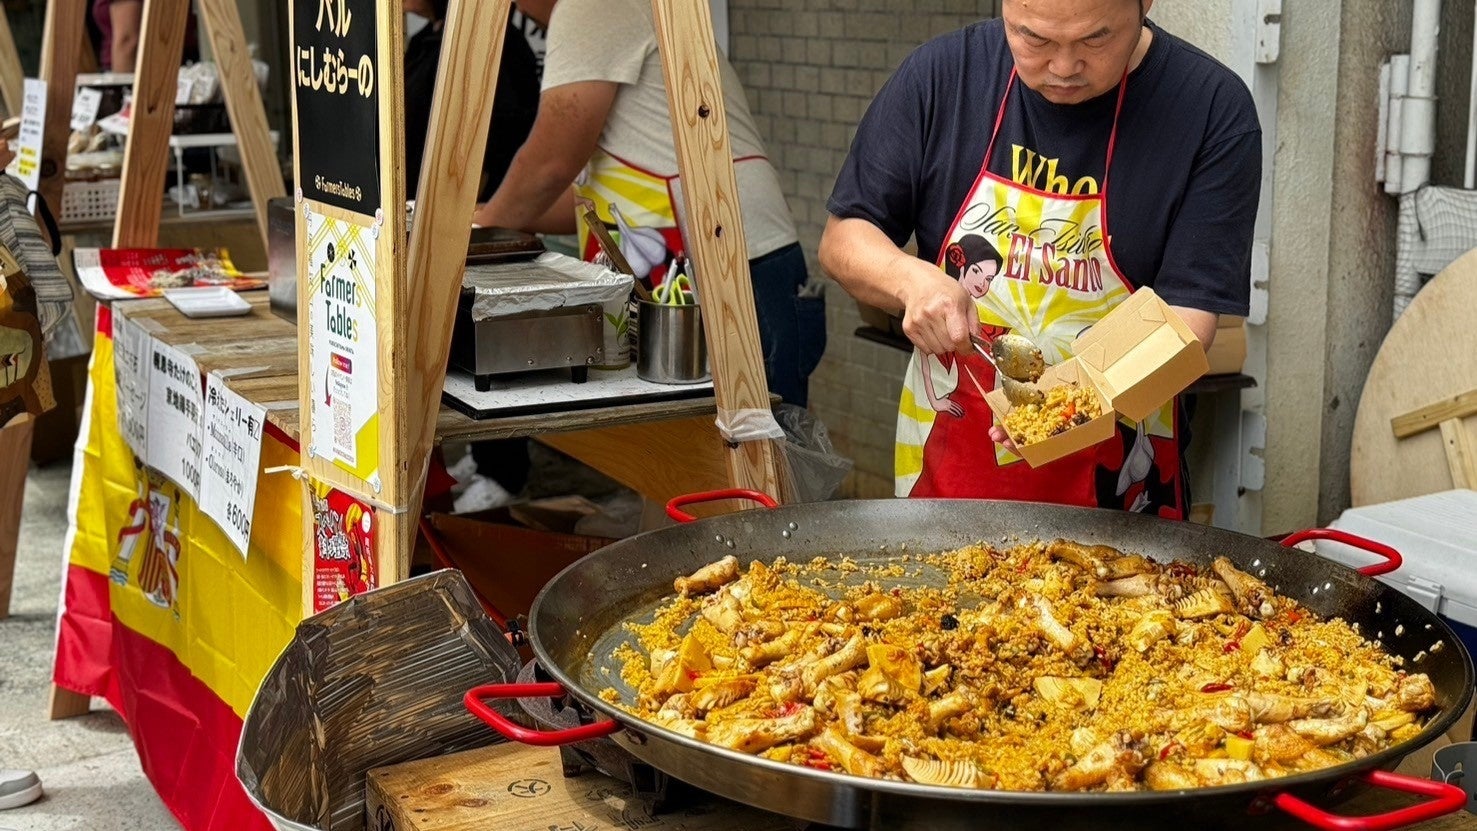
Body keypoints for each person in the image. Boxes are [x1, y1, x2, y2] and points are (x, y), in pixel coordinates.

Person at [820, 0, 1259, 517]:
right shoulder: (943, 77)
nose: (1064, 67)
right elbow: (844, 238)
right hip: (948, 481)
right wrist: (908, 278)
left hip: (1120, 492)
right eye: (1034, 39)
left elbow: (1187, 321)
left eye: (1095, 39)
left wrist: (1058, 408)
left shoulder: (1210, 109)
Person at [471, 0, 825, 407]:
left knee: (752, 455)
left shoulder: (589, 7)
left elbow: (552, 163)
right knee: (699, 456)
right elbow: (591, 201)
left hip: (730, 267)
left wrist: (478, 230)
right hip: (728, 260)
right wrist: (486, 218)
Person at [403, 0, 540, 202]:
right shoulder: (422, 41)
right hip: (414, 207)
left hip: (469, 215)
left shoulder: (494, 42)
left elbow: (493, 146)